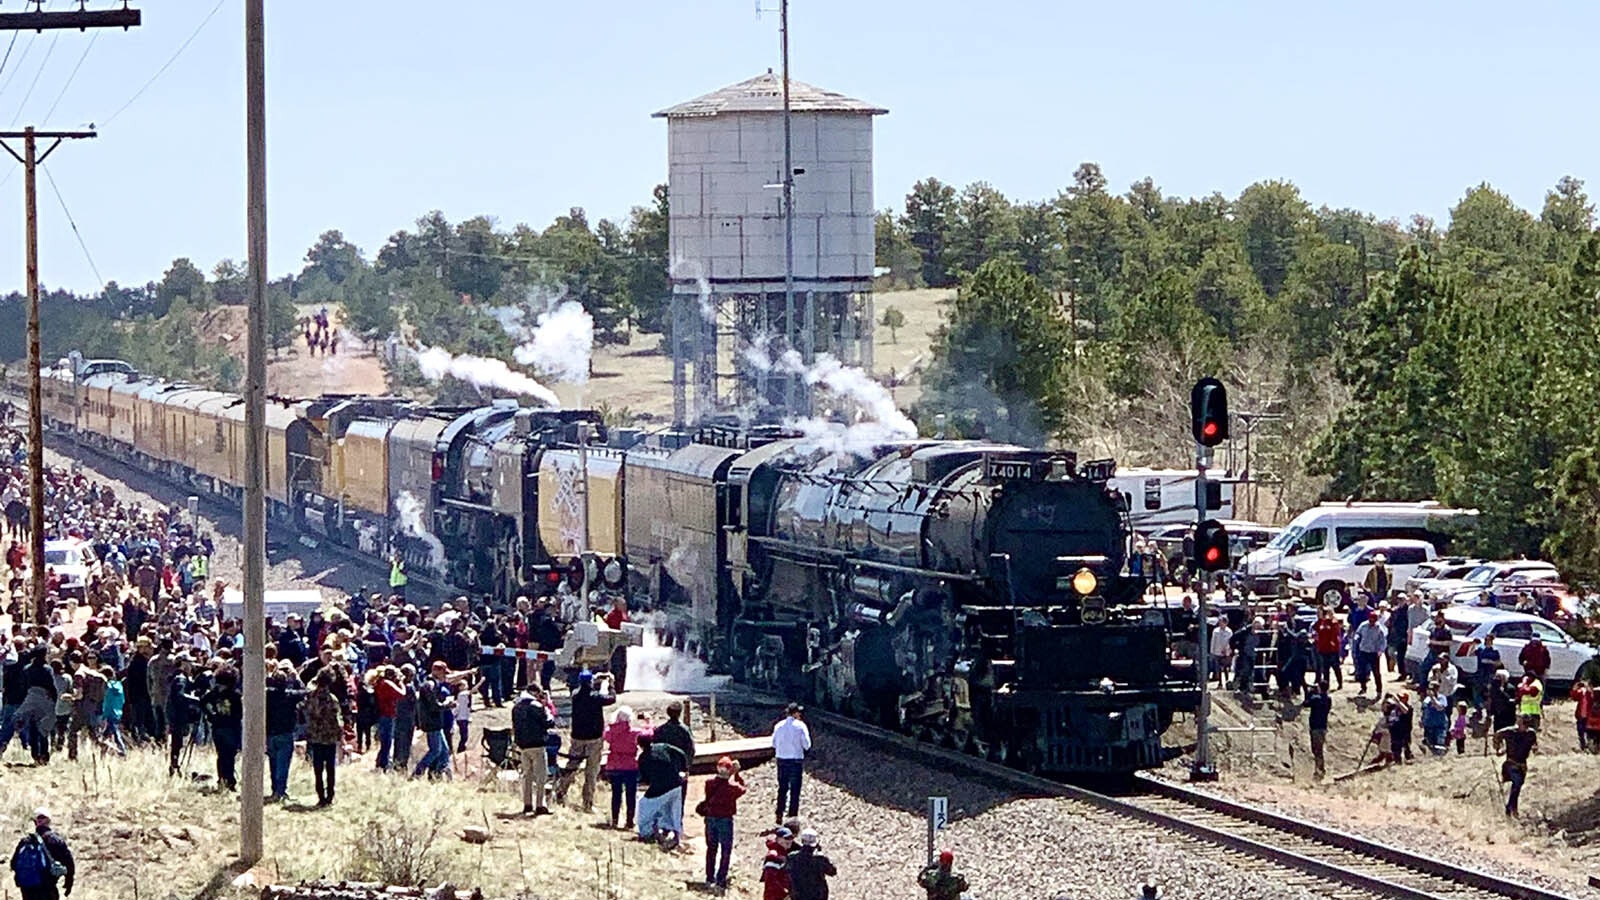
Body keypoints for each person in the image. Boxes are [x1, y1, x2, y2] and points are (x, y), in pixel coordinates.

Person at [562, 670, 614, 813]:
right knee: (591, 771)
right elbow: (611, 698)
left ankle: (561, 792)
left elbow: (587, 691)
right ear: (591, 682)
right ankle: (587, 802)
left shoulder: (575, 695)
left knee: (572, 765)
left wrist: (595, 682)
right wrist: (611, 684)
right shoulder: (595, 697)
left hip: (577, 737)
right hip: (594, 738)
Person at [700, 756, 746, 892]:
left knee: (711, 849)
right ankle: (721, 879)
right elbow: (743, 788)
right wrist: (736, 774)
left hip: (710, 819)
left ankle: (709, 877)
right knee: (726, 850)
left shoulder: (709, 783)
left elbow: (718, 783)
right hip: (725, 820)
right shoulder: (733, 788)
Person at [635, 733, 687, 846]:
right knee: (674, 810)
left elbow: (645, 779)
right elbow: (681, 753)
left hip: (660, 787)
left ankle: (647, 833)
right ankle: (676, 836)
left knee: (644, 805)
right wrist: (684, 768)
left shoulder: (643, 758)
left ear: (639, 745)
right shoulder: (663, 746)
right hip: (676, 783)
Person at [10, 809, 72, 900]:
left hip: (28, 889)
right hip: (47, 887)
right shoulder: (55, 840)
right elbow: (69, 863)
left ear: (35, 822)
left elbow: (13, 864)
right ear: (49, 821)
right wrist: (68, 882)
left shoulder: (25, 841)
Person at [511, 684, 553, 816]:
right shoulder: (537, 706)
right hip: (537, 744)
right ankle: (540, 805)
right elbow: (548, 723)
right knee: (541, 776)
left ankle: (527, 803)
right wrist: (547, 708)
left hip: (523, 745)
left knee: (527, 775)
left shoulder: (516, 707)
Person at [305, 668, 343, 807]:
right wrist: (340, 736)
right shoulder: (332, 699)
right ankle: (330, 796)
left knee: (318, 768)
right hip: (329, 737)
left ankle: (320, 796)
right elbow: (337, 719)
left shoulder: (310, 696)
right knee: (330, 768)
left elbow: (306, 713)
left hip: (315, 736)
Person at [201, 668, 242, 791]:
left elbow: (202, 702)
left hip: (217, 728)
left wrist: (211, 715)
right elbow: (239, 713)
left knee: (221, 755)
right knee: (230, 755)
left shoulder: (213, 693)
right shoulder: (235, 695)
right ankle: (230, 781)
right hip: (231, 728)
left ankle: (222, 780)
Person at [603, 706, 644, 829]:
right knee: (631, 794)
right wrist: (647, 722)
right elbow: (649, 734)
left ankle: (615, 819)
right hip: (630, 765)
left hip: (614, 764)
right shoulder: (635, 733)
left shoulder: (610, 731)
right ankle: (629, 820)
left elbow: (605, 736)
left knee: (616, 793)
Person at [772, 702, 812, 824]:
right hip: (795, 760)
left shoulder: (778, 725)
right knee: (795, 790)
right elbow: (807, 745)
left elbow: (773, 743)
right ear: (795, 713)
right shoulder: (800, 726)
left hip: (781, 760)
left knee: (782, 788)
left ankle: (779, 814)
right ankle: (792, 817)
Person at [1496, 715, 1538, 817]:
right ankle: (1509, 808)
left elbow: (1534, 744)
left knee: (1517, 787)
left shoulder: (1531, 733)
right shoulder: (1510, 732)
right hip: (1511, 763)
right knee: (1517, 783)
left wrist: (1534, 748)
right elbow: (1497, 735)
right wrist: (1499, 748)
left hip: (1522, 765)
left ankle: (1513, 808)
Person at [787, 828, 837, 900]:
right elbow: (832, 871)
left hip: (798, 895)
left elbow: (786, 872)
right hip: (817, 896)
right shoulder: (819, 859)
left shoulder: (792, 857)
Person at [1351, 610, 1386, 696]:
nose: (1371, 622)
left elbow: (1383, 641)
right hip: (1363, 651)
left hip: (1373, 653)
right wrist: (1356, 639)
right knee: (1362, 671)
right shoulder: (1363, 625)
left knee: (1376, 672)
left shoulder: (1379, 629)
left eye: (1373, 621)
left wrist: (1380, 651)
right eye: (1370, 620)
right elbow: (1358, 633)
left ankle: (1379, 690)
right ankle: (1363, 688)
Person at [1303, 680, 1332, 779]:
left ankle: (1320, 770)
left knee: (1317, 750)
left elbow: (1305, 704)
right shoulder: (1328, 699)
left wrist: (1309, 692)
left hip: (1315, 727)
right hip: (1323, 727)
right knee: (1318, 749)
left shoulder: (1315, 699)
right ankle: (1319, 769)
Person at [1311, 607, 1343, 690]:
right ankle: (1326, 685)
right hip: (1323, 648)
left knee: (1336, 667)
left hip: (1333, 649)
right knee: (1325, 668)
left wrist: (1333, 642)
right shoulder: (1321, 622)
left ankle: (1340, 683)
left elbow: (1336, 632)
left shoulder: (1333, 622)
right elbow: (1315, 630)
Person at [760, 827, 794, 900]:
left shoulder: (783, 854)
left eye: (791, 837)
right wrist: (784, 893)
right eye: (786, 838)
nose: (790, 840)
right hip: (774, 896)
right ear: (778, 839)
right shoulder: (774, 855)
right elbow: (771, 879)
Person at [1420, 686, 1450, 755]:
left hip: (1439, 724)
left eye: (1433, 689)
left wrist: (1432, 697)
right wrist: (1422, 720)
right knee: (1430, 744)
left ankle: (1441, 758)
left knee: (1439, 744)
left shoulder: (1442, 698)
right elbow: (1424, 710)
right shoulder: (1426, 700)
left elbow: (1439, 707)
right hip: (1429, 724)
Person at [1574, 681, 1595, 752]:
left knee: (1589, 732)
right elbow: (1574, 696)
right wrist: (1576, 687)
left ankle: (1589, 745)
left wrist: (1589, 689)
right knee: (1580, 730)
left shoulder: (1591, 693)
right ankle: (1583, 745)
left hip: (1589, 716)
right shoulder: (1581, 692)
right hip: (1580, 715)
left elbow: (1592, 698)